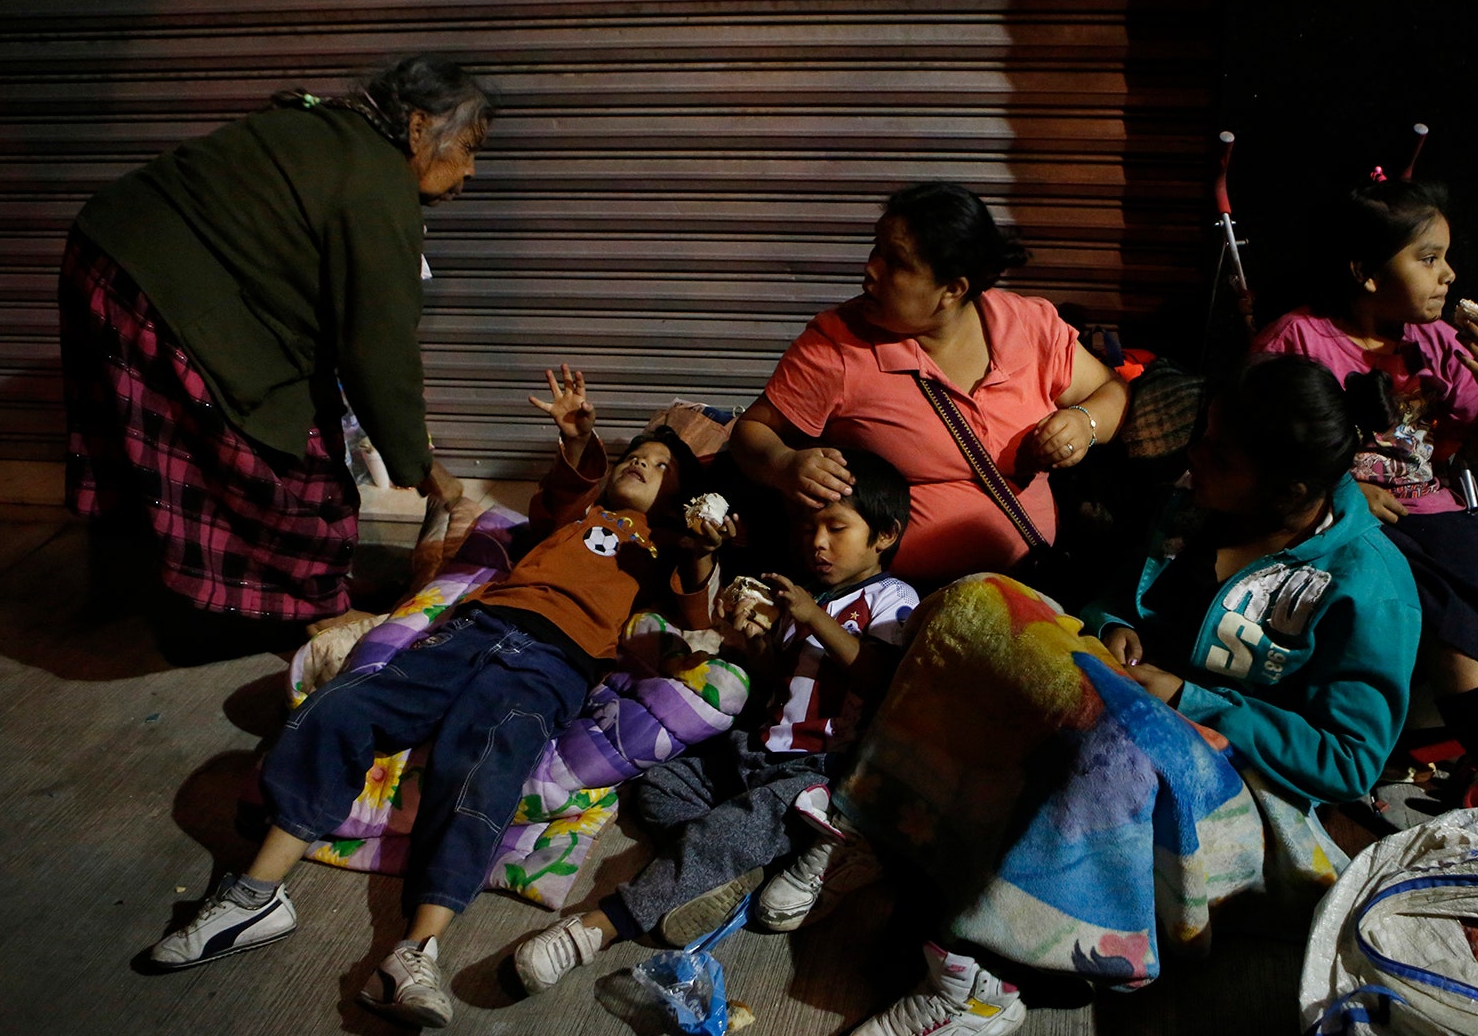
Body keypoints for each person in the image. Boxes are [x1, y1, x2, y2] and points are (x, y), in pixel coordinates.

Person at [840, 356, 1421, 1036]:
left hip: (1246, 797)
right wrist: (1115, 628)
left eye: (1219, 453)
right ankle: (887, 820)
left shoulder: (1367, 580)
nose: (1194, 455)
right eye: (1201, 435)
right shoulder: (1195, 502)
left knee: (1117, 741)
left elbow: (1347, 761)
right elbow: (1118, 598)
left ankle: (987, 980)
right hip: (1129, 715)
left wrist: (1187, 698)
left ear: (1287, 488)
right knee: (980, 601)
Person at [145, 366, 725, 1030]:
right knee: (345, 707)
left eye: (658, 467)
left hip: (552, 666)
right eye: (635, 457)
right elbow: (557, 497)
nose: (641, 466)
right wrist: (575, 445)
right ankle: (255, 893)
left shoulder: (663, 552)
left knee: (485, 770)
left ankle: (415, 953)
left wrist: (703, 552)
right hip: (476, 628)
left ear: (684, 502)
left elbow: (694, 614)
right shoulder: (583, 510)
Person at [60, 54, 494, 655]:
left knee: (235, 435)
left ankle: (260, 591)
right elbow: (378, 346)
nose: (469, 172)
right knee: (277, 452)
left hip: (111, 253)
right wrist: (424, 469)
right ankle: (309, 608)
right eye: (468, 148)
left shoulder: (334, 129)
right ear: (419, 127)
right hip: (150, 281)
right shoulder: (377, 183)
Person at [511, 449, 918, 996]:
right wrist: (753, 642)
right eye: (808, 527)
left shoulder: (893, 598)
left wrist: (814, 618)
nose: (817, 541)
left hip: (817, 776)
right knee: (658, 786)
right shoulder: (809, 596)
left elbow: (880, 679)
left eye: (836, 527)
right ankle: (734, 869)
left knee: (720, 833)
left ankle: (595, 929)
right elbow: (781, 679)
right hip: (756, 751)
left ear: (885, 536)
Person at [1250, 176, 1478, 809]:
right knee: (1458, 642)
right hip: (1359, 526)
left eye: (1446, 257)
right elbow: (1256, 447)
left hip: (1440, 518)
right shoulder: (1299, 342)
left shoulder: (1438, 346)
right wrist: (1340, 494)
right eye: (1428, 259)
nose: (1448, 275)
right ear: (1366, 273)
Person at [729, 181, 1129, 589]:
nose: (871, 269)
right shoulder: (837, 347)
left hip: (1032, 585)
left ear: (952, 290)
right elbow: (752, 432)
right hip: (897, 606)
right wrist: (783, 465)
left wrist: (1084, 423)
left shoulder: (1028, 326)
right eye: (876, 249)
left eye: (896, 263)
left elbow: (1113, 391)